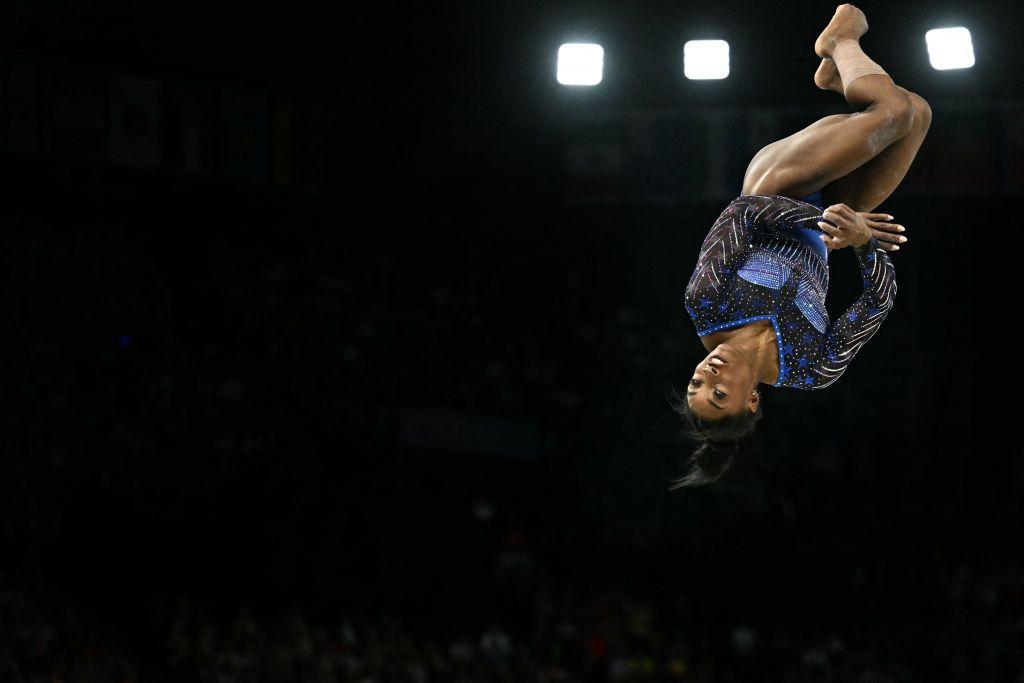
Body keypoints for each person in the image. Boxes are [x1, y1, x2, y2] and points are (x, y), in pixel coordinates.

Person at [674, 4, 931, 487]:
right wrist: (861, 243)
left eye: (695, 383)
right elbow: (877, 304)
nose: (706, 374)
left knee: (890, 111)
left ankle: (840, 39)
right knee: (916, 113)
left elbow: (740, 213)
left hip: (776, 187)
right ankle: (835, 76)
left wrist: (827, 221)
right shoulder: (813, 368)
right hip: (833, 223)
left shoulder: (706, 305)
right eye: (718, 393)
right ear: (753, 400)